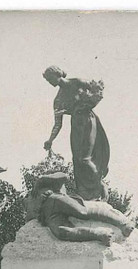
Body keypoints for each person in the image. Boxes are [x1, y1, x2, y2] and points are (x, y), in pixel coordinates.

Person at [43, 66, 110, 201]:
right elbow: (58, 124)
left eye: (50, 78)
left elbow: (97, 90)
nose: (49, 82)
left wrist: (85, 104)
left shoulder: (77, 82)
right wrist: (50, 140)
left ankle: (100, 184)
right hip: (76, 124)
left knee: (85, 159)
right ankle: (84, 193)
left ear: (57, 74)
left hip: (87, 120)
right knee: (77, 160)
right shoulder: (57, 100)